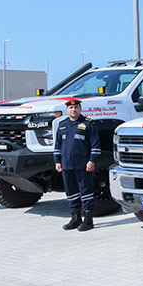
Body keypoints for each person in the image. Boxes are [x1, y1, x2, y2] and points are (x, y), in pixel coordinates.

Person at [54, 98, 101, 231]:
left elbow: (95, 145)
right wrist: (57, 161)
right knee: (71, 192)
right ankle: (75, 219)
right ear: (67, 110)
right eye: (70, 108)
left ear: (80, 109)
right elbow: (57, 146)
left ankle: (88, 220)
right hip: (66, 165)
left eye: (76, 107)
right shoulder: (62, 125)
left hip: (83, 165)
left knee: (86, 192)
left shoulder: (88, 124)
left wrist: (92, 160)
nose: (73, 110)